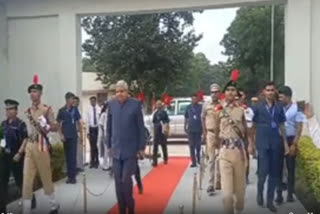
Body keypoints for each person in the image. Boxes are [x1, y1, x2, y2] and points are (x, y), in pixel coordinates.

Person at [107, 80, 146, 214]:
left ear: (127, 91)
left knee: (125, 181)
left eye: (122, 91)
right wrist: (109, 145)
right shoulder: (111, 105)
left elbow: (141, 128)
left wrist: (141, 148)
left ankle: (131, 207)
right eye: (117, 91)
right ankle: (121, 209)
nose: (119, 94)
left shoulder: (135, 105)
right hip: (116, 151)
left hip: (131, 151)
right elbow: (109, 126)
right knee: (118, 183)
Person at [22, 76, 59, 214]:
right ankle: (26, 209)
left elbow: (55, 127)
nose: (33, 94)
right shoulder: (27, 111)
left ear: (40, 94)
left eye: (35, 91)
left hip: (41, 145)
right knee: (27, 177)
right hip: (30, 146)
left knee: (45, 176)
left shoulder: (46, 109)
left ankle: (53, 204)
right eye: (31, 91)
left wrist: (47, 125)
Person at [214, 78, 251, 214]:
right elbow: (216, 131)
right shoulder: (218, 110)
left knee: (240, 194)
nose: (230, 92)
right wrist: (216, 149)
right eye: (228, 90)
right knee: (227, 195)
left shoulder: (242, 110)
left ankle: (239, 209)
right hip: (225, 152)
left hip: (238, 153)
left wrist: (250, 146)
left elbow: (247, 132)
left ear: (236, 93)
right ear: (224, 93)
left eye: (233, 90)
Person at [250, 82, 287, 212]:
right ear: (264, 92)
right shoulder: (257, 107)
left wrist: (285, 144)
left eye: (272, 90)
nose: (270, 92)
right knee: (263, 172)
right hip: (262, 143)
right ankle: (260, 192)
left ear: (275, 91)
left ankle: (270, 201)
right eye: (268, 90)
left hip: (275, 144)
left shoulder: (279, 107)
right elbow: (252, 126)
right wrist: (251, 144)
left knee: (274, 174)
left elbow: (282, 125)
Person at [0, 99, 36, 212]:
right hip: (5, 156)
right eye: (7, 109)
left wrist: (19, 153)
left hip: (16, 156)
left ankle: (32, 199)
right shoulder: (3, 124)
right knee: (2, 182)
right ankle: (2, 208)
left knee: (20, 181)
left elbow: (25, 139)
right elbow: (1, 139)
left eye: (11, 109)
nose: (8, 111)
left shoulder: (20, 124)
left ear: (16, 111)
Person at [275, 86, 304, 204]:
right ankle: (279, 195)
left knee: (291, 168)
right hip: (279, 140)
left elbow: (299, 127)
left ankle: (290, 194)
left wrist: (294, 144)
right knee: (278, 168)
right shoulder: (277, 108)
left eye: (281, 97)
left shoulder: (297, 108)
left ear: (288, 97)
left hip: (291, 139)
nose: (280, 99)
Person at [57, 92, 82, 184]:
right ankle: (69, 176)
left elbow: (78, 122)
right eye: (72, 98)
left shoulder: (75, 110)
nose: (73, 100)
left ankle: (73, 177)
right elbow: (59, 124)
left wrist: (80, 134)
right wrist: (61, 135)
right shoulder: (62, 111)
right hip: (65, 136)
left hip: (73, 136)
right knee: (67, 157)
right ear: (67, 99)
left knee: (73, 156)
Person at [201, 84, 222, 195]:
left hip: (221, 135)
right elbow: (202, 118)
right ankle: (210, 183)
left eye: (216, 92)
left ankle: (219, 180)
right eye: (212, 92)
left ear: (219, 93)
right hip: (210, 134)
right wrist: (204, 133)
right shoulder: (206, 105)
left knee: (220, 158)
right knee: (211, 159)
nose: (214, 94)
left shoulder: (223, 105)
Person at [185, 93, 203, 168]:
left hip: (198, 128)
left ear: (197, 99)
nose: (194, 100)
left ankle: (198, 158)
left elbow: (203, 117)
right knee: (191, 146)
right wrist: (185, 126)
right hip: (191, 129)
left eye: (195, 99)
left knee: (198, 146)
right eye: (192, 99)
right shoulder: (188, 107)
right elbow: (186, 117)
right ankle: (193, 161)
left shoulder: (200, 107)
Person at [152, 100, 170, 167]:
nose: (158, 105)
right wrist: (154, 132)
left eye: (159, 104)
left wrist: (167, 131)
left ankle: (165, 159)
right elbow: (154, 123)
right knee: (155, 147)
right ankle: (155, 161)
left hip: (162, 131)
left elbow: (167, 122)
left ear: (161, 105)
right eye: (157, 104)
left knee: (164, 146)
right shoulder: (155, 113)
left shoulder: (164, 113)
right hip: (157, 131)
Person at [86, 96, 101, 168]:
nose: (93, 102)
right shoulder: (88, 110)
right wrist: (87, 132)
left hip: (97, 129)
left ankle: (97, 162)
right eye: (91, 101)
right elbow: (87, 121)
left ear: (95, 101)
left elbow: (101, 120)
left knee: (97, 146)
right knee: (92, 146)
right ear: (90, 102)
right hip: (91, 129)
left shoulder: (99, 109)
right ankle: (92, 162)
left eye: (94, 101)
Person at [98, 103, 112, 171]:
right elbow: (101, 125)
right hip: (106, 134)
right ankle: (105, 165)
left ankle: (111, 164)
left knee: (111, 150)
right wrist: (103, 134)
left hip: (112, 134)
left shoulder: (112, 114)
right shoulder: (103, 115)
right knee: (106, 151)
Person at [73, 96, 84, 172]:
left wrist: (81, 134)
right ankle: (74, 167)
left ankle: (79, 166)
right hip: (71, 133)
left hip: (77, 132)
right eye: (74, 102)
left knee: (79, 151)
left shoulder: (77, 111)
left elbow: (79, 123)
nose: (76, 103)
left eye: (77, 102)